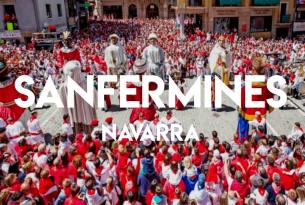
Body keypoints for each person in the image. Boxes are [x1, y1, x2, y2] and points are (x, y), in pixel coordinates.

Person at [59, 60, 97, 133]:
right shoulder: (86, 83)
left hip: (73, 116)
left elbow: (63, 104)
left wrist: (65, 113)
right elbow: (95, 96)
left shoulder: (63, 87)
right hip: (87, 114)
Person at [128, 59, 157, 123]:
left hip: (136, 111)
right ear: (145, 70)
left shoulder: (129, 84)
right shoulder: (152, 82)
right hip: (149, 109)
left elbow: (129, 99)